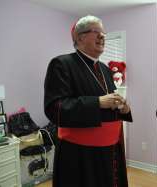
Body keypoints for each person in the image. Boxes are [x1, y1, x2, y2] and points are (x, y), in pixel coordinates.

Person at [44, 15, 132, 187]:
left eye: (103, 32)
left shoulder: (105, 69)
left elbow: (111, 102)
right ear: (79, 37)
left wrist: (123, 107)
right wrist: (97, 102)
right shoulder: (61, 64)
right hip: (80, 153)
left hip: (111, 149)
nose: (102, 36)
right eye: (96, 31)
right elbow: (55, 108)